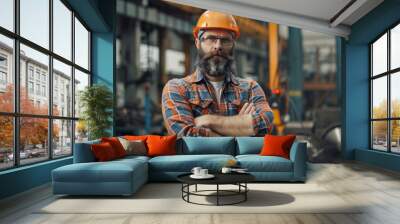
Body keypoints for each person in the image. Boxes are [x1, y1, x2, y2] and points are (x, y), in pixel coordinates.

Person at [161, 11, 273, 137]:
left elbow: (265, 123)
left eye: (225, 40)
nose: (218, 46)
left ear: (233, 46)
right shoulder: (177, 88)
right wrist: (240, 128)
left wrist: (207, 120)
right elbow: (185, 135)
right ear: (198, 43)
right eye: (211, 39)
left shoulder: (250, 88)